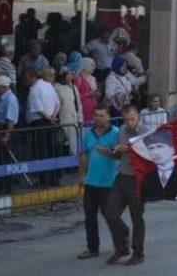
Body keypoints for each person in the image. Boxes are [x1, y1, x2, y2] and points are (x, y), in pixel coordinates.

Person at [103, 105, 149, 265]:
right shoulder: (121, 130)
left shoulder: (145, 132)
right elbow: (117, 155)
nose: (130, 123)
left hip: (138, 180)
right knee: (110, 211)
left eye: (132, 119)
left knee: (137, 217)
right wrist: (112, 152)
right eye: (126, 119)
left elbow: (149, 157)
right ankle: (122, 243)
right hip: (122, 176)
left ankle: (138, 252)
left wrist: (129, 150)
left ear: (138, 117)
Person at [77, 105, 120, 260]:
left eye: (101, 115)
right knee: (89, 216)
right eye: (96, 115)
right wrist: (81, 176)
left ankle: (121, 243)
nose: (98, 118)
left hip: (109, 182)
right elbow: (84, 155)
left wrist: (109, 152)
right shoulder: (88, 134)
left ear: (108, 117)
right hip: (91, 181)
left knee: (110, 215)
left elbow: (120, 156)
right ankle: (92, 248)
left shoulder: (116, 133)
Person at [25, 68, 61, 186]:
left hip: (40, 123)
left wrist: (49, 118)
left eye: (26, 77)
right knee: (51, 150)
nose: (25, 80)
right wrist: (53, 117)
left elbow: (39, 109)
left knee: (41, 151)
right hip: (51, 121)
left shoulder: (34, 89)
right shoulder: (49, 86)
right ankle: (53, 178)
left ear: (32, 76)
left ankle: (43, 180)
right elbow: (58, 104)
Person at [141, 131, 177, 202]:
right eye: (151, 148)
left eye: (160, 146)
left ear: (172, 149)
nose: (156, 152)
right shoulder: (147, 178)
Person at [54, 66, 83, 155]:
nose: (71, 76)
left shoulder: (74, 88)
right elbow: (56, 104)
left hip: (74, 121)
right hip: (64, 121)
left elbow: (78, 105)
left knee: (75, 146)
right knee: (65, 145)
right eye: (69, 74)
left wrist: (80, 119)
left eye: (71, 74)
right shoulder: (56, 88)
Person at [74, 57, 100, 122]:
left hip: (94, 108)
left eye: (94, 65)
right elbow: (74, 96)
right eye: (92, 65)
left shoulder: (94, 79)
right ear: (85, 65)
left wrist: (97, 94)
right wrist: (87, 94)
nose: (94, 67)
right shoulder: (78, 79)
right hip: (83, 109)